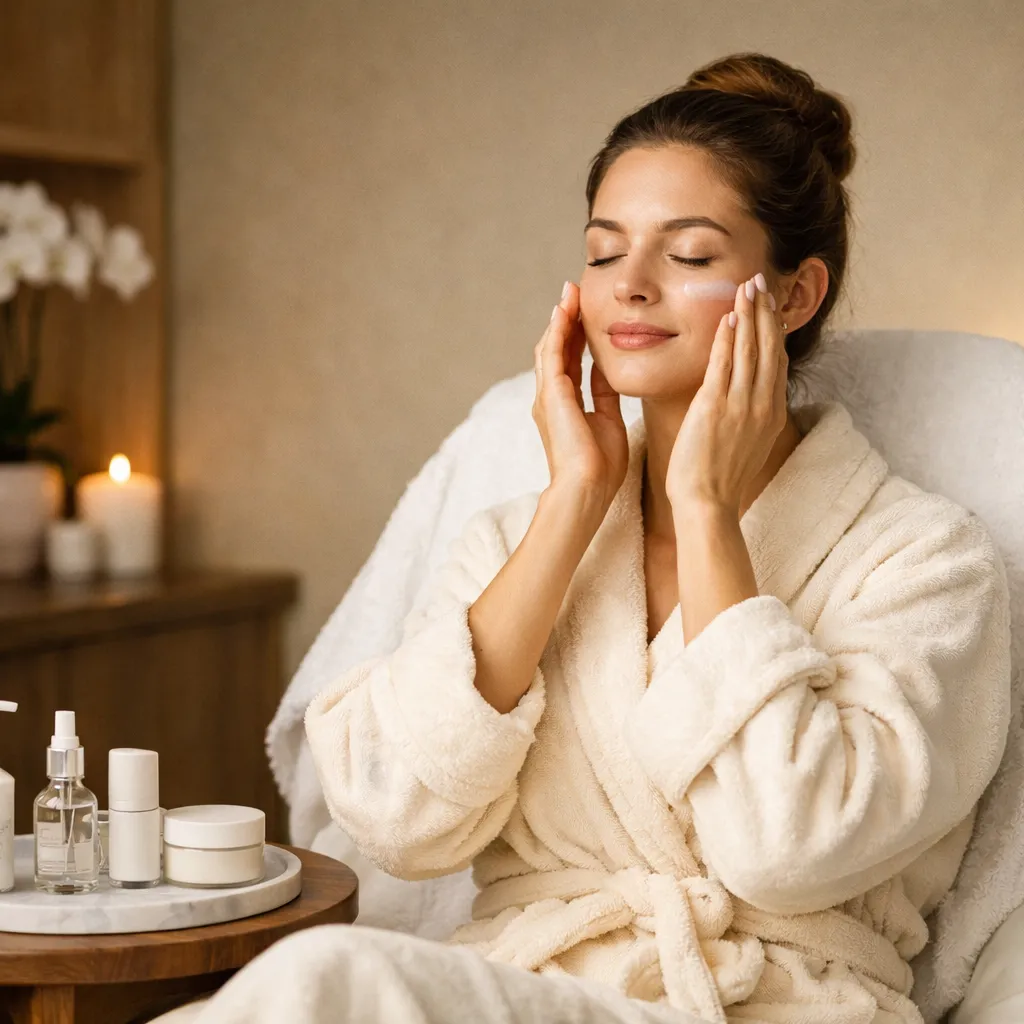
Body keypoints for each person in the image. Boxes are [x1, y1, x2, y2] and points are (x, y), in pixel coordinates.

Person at [171, 51, 1012, 1024]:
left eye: (688, 255)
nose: (631, 287)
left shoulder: (921, 559)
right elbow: (397, 819)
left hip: (768, 1006)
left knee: (328, 980)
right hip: (531, 984)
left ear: (794, 294)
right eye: (605, 251)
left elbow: (788, 845)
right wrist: (574, 499)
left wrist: (704, 514)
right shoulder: (518, 538)